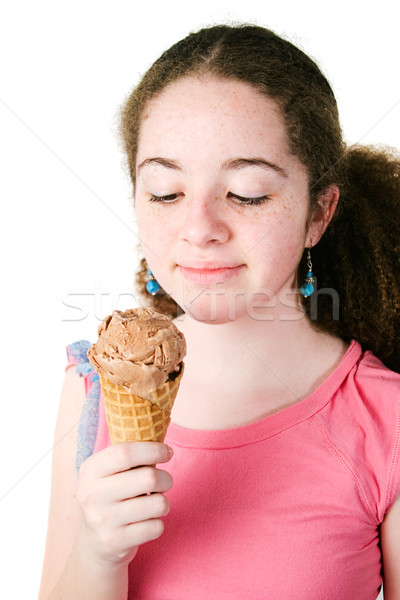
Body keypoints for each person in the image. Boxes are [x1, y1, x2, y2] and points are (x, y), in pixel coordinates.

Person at [39, 24, 400, 600]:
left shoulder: (388, 422)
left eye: (248, 193)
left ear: (319, 213)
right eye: (164, 192)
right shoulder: (92, 387)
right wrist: (96, 552)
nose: (199, 228)